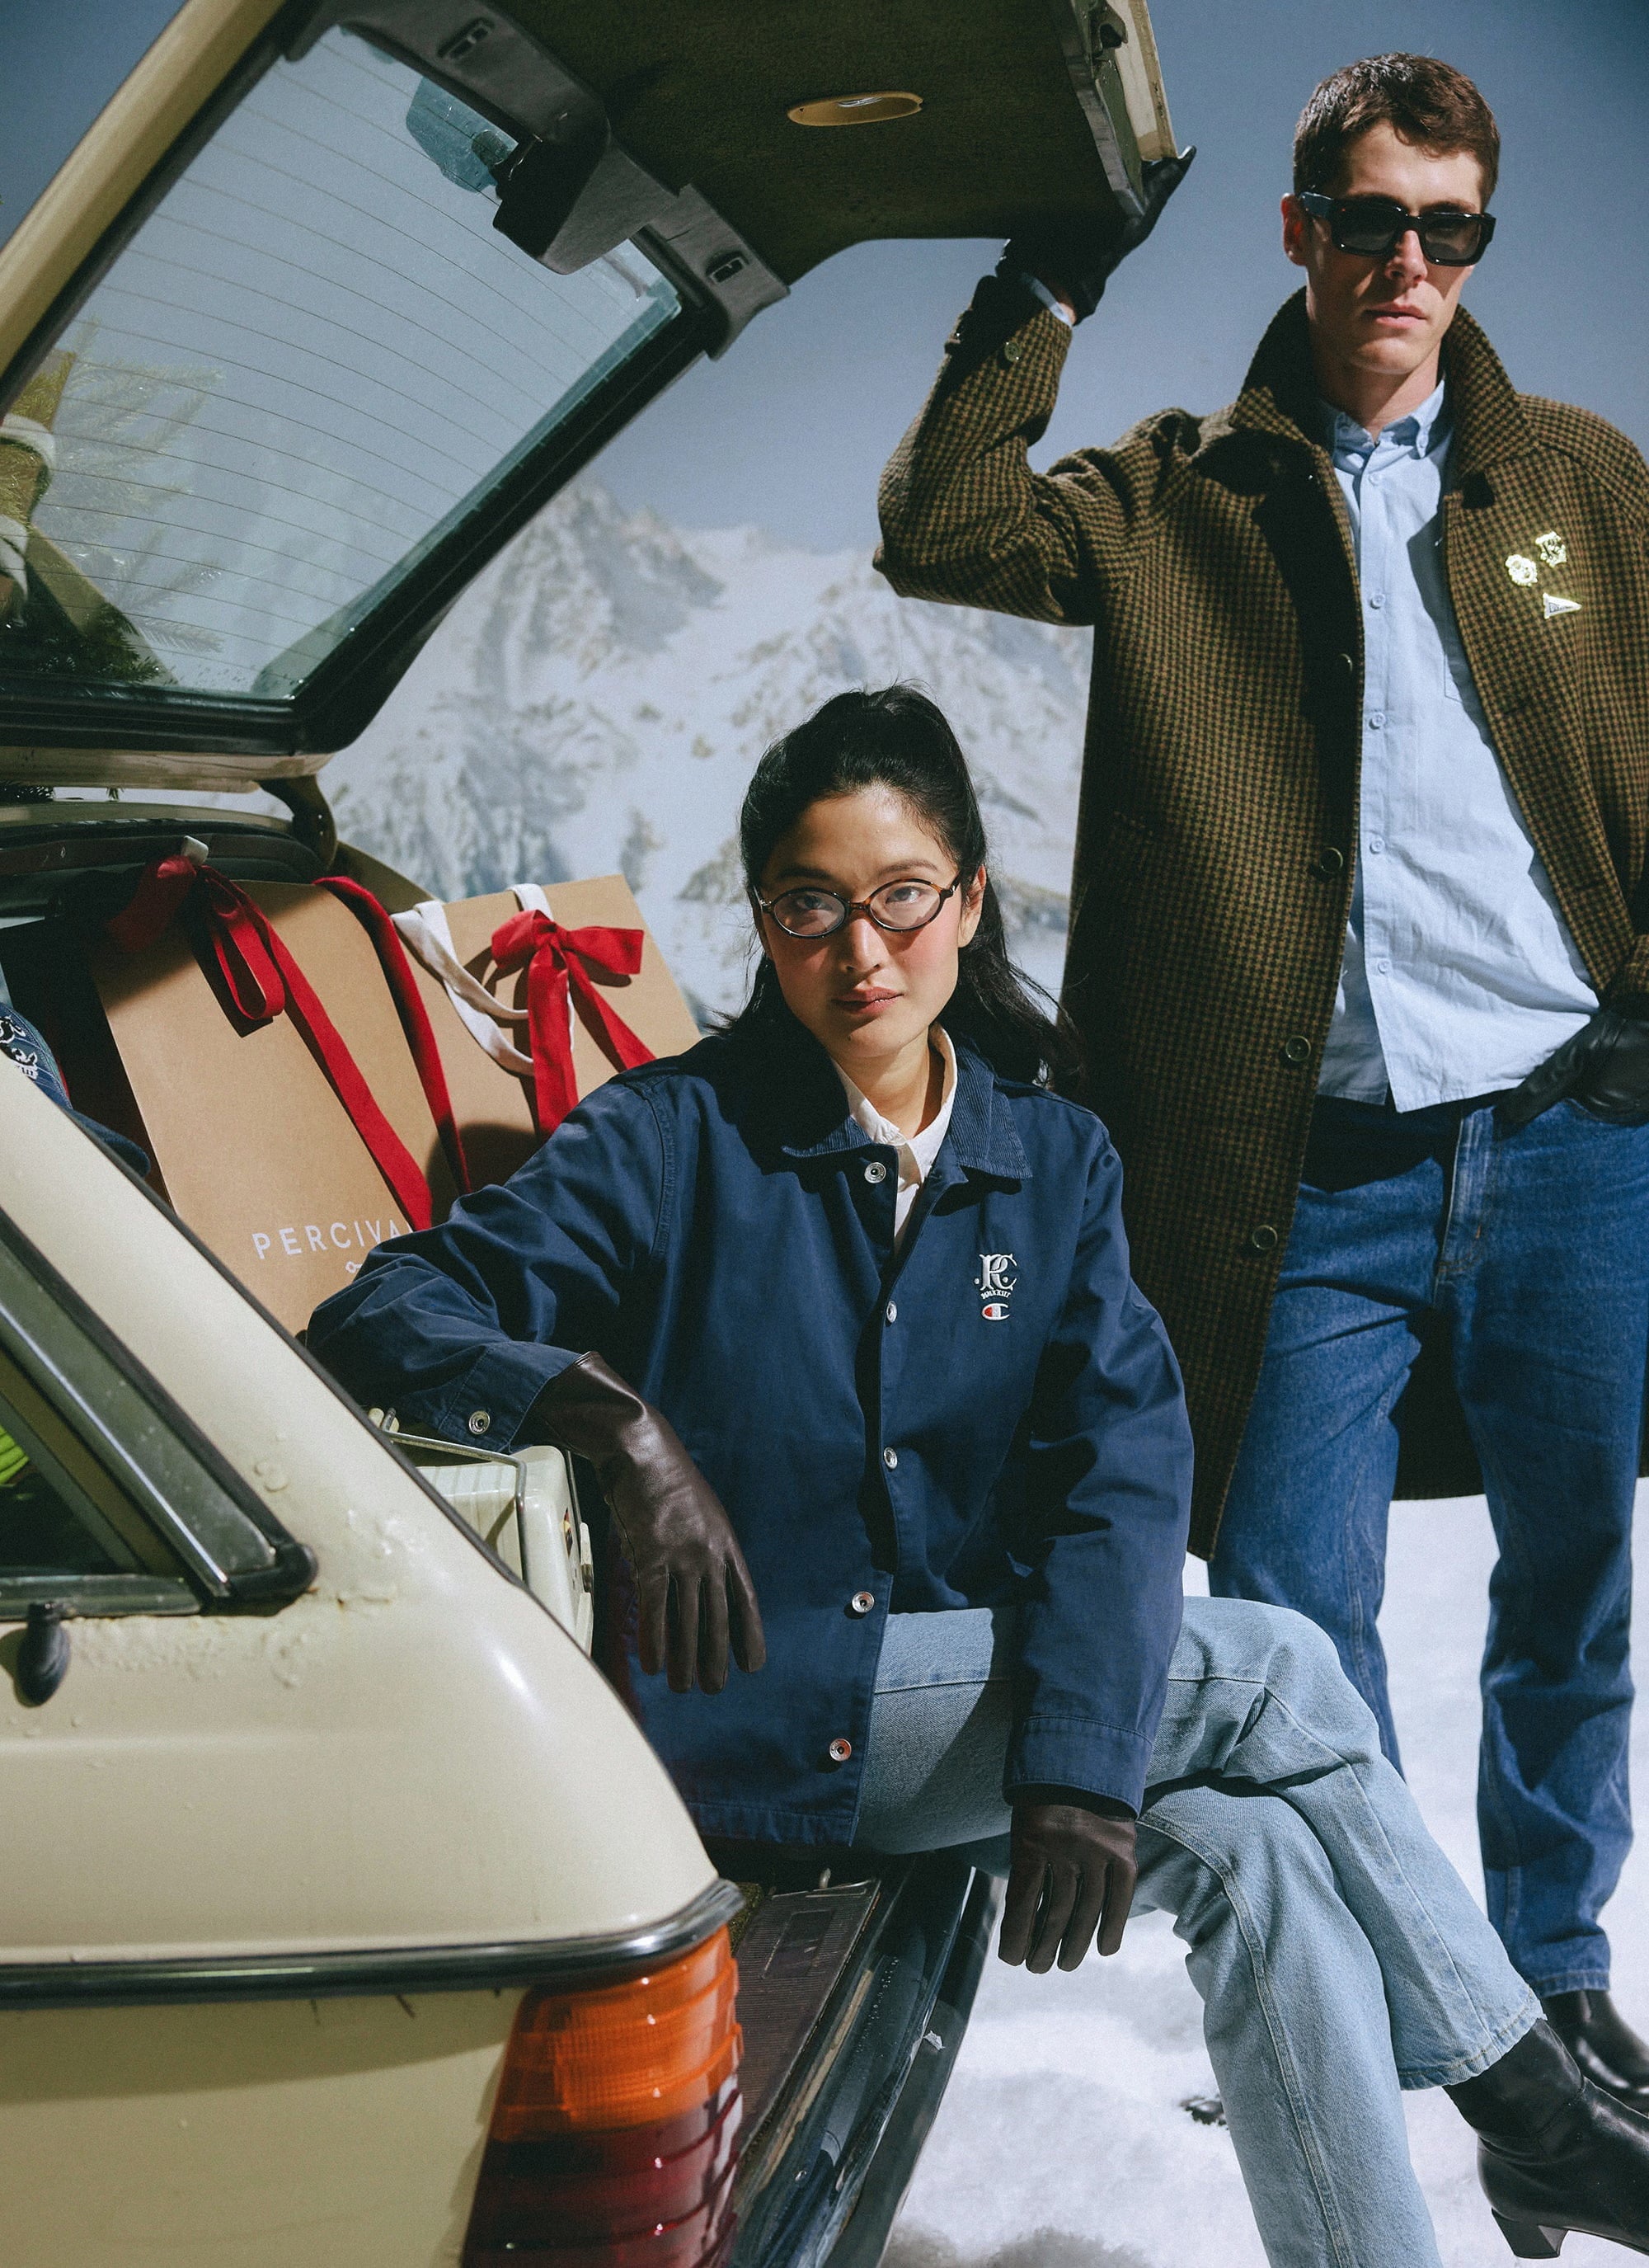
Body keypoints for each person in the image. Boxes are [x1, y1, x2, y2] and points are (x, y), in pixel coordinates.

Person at [310, 686, 1649, 2266]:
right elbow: (381, 1309)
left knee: (1272, 1857)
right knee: (1279, 1671)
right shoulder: (673, 1138)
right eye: (809, 906)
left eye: (900, 899)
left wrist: (1078, 1758)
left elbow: (1124, 1472)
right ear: (763, 920)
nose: (860, 952)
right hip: (752, 1710)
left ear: (968, 900)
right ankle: (1537, 2109)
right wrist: (615, 1426)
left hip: (952, 1719)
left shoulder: (1049, 1159)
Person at [875, 52, 1649, 2101]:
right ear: (1300, 230)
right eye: (1373, 220)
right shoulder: (1171, 496)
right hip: (1301, 1172)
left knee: (1571, 1587)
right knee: (1298, 1617)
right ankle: (1410, 1997)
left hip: (1572, 1132)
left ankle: (1556, 1972)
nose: (1410, 264)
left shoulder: (1582, 487)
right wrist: (1048, 281)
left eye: (1450, 230)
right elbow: (939, 521)